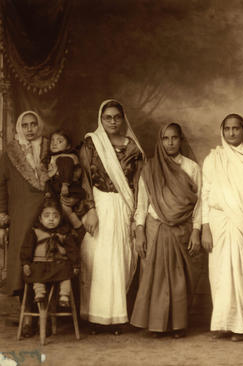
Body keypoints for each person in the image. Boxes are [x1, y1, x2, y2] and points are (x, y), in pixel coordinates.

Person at [201, 113, 243, 342]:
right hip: (219, 223)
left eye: (236, 128)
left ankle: (240, 326)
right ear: (222, 130)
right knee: (220, 274)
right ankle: (223, 323)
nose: (231, 133)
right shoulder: (213, 158)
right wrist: (205, 227)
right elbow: (206, 193)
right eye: (227, 128)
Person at [130, 122, 201, 338]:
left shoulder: (191, 167)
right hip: (155, 227)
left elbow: (200, 203)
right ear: (159, 141)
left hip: (182, 229)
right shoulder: (150, 169)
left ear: (181, 140)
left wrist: (197, 231)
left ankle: (178, 325)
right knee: (155, 278)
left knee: (180, 279)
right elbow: (142, 203)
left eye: (174, 138)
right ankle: (157, 325)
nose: (170, 143)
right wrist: (139, 231)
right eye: (165, 138)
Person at [79, 99, 144, 334]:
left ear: (123, 118)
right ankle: (95, 318)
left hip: (124, 205)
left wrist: (136, 215)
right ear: (101, 118)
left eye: (117, 116)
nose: (113, 121)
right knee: (98, 259)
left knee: (122, 259)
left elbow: (138, 183)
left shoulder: (133, 148)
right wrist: (91, 209)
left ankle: (117, 317)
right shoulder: (91, 143)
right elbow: (84, 178)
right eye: (108, 117)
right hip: (100, 204)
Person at [0, 110, 49, 337]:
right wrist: (3, 213)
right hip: (20, 212)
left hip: (48, 211)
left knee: (46, 255)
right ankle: (26, 313)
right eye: (25, 125)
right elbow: (1, 185)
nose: (30, 129)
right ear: (20, 127)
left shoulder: (50, 147)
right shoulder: (10, 153)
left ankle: (45, 314)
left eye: (33, 124)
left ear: (38, 126)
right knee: (23, 259)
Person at [20, 198, 80, 307]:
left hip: (59, 264)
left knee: (67, 273)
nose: (51, 219)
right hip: (40, 264)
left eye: (55, 216)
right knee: (35, 273)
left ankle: (64, 295)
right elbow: (27, 248)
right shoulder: (35, 232)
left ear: (60, 218)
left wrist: (75, 264)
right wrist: (26, 263)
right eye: (47, 216)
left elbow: (72, 250)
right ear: (40, 218)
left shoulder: (64, 233)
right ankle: (39, 293)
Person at [44, 129, 86, 238]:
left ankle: (79, 227)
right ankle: (64, 230)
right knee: (55, 208)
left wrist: (65, 185)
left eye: (59, 141)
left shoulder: (66, 157)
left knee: (66, 207)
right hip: (58, 189)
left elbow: (66, 172)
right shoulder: (53, 157)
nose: (54, 143)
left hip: (70, 189)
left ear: (68, 146)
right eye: (52, 140)